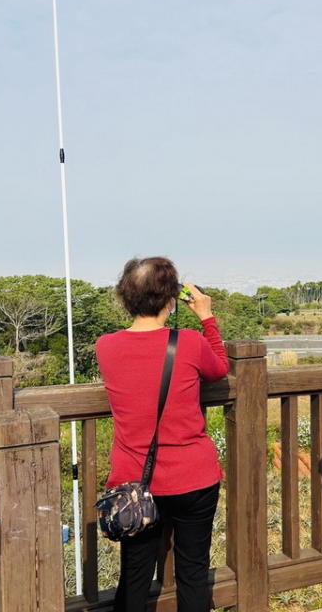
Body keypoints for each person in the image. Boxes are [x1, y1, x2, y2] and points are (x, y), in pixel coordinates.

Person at [96, 257, 229, 612]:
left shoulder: (105, 347)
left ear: (125, 298)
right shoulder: (188, 342)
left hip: (135, 484)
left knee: (134, 575)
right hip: (194, 478)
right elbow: (219, 369)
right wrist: (206, 317)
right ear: (171, 299)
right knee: (193, 572)